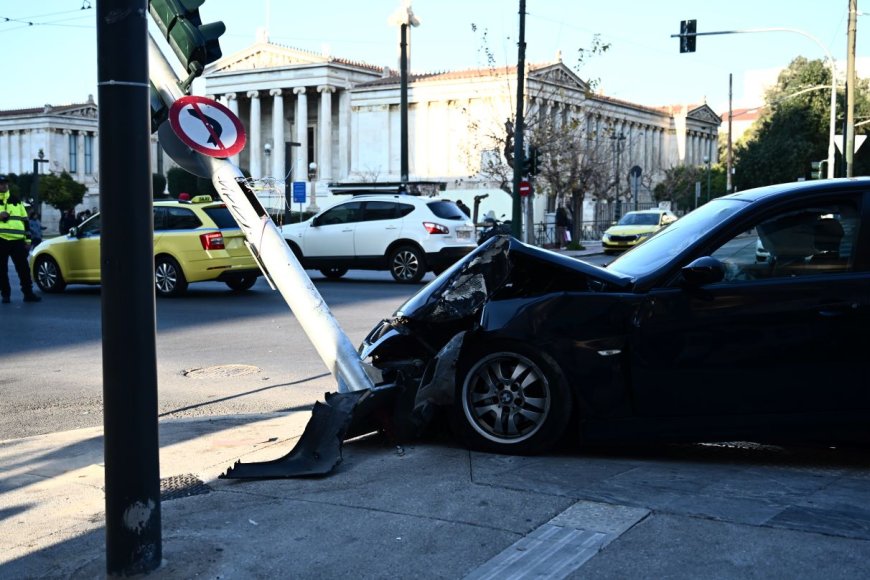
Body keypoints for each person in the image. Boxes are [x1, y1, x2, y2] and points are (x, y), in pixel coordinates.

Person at [0, 175, 41, 303]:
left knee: (24, 269)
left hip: (18, 241)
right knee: (1, 270)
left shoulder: (16, 201)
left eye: (5, 183)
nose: (4, 185)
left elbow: (25, 221)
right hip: (1, 240)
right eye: (1, 184)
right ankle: (5, 294)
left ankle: (28, 294)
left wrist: (28, 241)